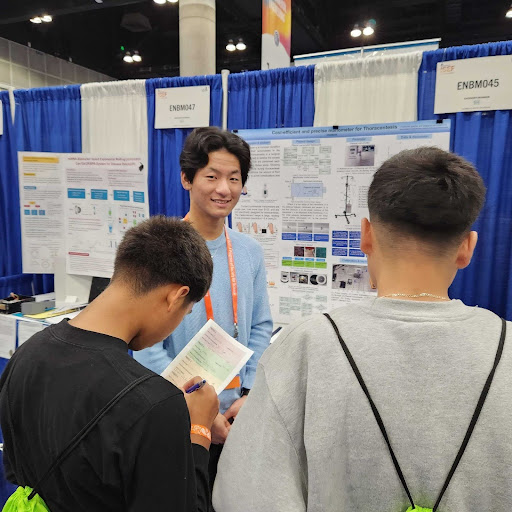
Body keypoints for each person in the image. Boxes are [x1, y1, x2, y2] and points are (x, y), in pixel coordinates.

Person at [213, 147, 512, 511]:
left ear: (365, 236)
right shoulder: (506, 346)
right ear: (467, 248)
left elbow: (245, 497)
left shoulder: (306, 345)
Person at [0, 216, 219, 512]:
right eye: (185, 312)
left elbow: (18, 472)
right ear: (175, 296)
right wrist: (199, 432)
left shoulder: (25, 355)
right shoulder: (155, 404)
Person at [134, 127, 273, 485]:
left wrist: (250, 394)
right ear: (186, 179)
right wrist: (198, 405)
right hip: (178, 412)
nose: (224, 189)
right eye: (211, 176)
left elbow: (259, 326)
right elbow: (144, 345)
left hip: (238, 414)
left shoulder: (248, 252)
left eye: (234, 178)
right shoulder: (158, 251)